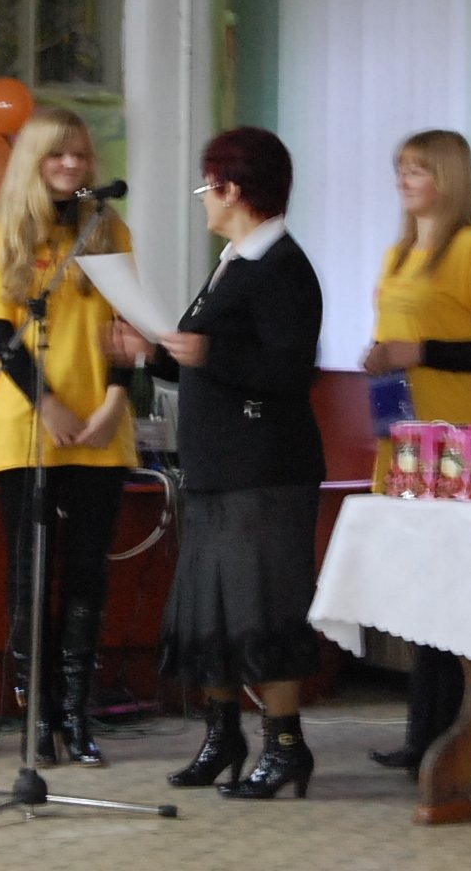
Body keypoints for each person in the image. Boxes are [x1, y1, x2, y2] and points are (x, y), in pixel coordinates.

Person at [107, 127, 325, 800]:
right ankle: (221, 736)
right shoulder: (232, 262)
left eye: (208, 186)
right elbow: (201, 359)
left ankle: (285, 745)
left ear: (233, 190)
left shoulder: (283, 266)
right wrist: (152, 353)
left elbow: (290, 370)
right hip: (215, 464)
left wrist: (209, 355)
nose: (203, 198)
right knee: (212, 608)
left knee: (263, 606)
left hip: (264, 469)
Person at [0, 107, 136, 767]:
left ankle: (76, 713)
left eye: (81, 155)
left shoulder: (109, 228)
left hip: (100, 423)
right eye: (58, 154)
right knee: (31, 572)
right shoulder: (2, 233)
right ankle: (37, 713)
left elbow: (128, 327)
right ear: (33, 162)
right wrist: (47, 405)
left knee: (88, 573)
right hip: (28, 426)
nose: (72, 165)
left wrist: (116, 399)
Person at [360, 130, 471, 778]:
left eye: (418, 170)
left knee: (452, 594)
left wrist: (420, 351)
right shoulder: (399, 253)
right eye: (400, 168)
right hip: (404, 439)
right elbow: (394, 338)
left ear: (448, 180)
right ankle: (422, 733)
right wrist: (381, 358)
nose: (403, 180)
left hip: (457, 443)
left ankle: (450, 732)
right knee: (418, 593)